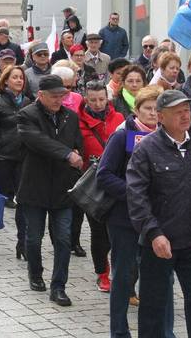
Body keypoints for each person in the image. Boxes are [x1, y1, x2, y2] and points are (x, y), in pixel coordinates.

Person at [126, 89, 191, 337]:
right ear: (160, 117)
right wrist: (154, 233)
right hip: (159, 243)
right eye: (177, 112)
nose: (185, 116)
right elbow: (137, 197)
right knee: (153, 309)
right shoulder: (146, 148)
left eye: (187, 111)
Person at [98, 85, 167, 337]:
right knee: (124, 275)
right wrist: (134, 193)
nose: (152, 114)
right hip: (124, 218)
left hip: (154, 218)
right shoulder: (122, 136)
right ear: (136, 110)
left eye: (156, 109)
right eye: (147, 108)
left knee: (152, 275)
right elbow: (103, 175)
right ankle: (119, 330)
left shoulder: (165, 137)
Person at [17, 74, 84, 306]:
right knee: (34, 239)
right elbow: (37, 141)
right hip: (34, 187)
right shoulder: (27, 115)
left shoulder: (71, 117)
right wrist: (67, 154)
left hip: (62, 189)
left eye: (62, 96)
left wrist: (77, 156)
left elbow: (78, 144)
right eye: (54, 96)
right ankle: (35, 274)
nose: (59, 100)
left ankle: (59, 287)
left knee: (64, 239)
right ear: (40, 95)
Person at [76, 80, 124, 292]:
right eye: (93, 100)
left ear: (108, 99)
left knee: (116, 229)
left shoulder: (120, 118)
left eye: (101, 99)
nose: (98, 104)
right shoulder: (77, 121)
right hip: (92, 182)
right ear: (86, 99)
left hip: (116, 179)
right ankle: (102, 273)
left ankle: (117, 269)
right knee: (98, 231)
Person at [0, 65, 32, 255]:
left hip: (23, 159)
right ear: (6, 81)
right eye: (15, 77)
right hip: (2, 158)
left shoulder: (27, 102)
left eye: (21, 78)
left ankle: (22, 243)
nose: (19, 80)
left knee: (24, 201)